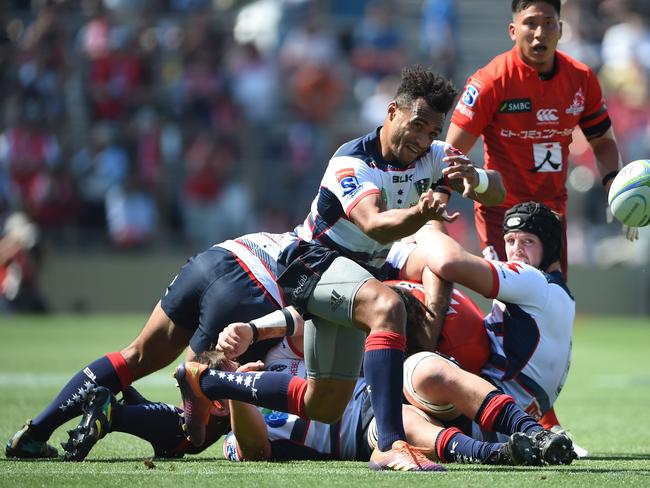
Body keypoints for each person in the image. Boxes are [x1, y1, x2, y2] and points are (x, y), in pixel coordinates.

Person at [174, 65, 506, 472]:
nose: (422, 141)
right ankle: (390, 445)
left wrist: (478, 179)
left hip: (353, 279)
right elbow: (374, 223)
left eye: (432, 133)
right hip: (311, 265)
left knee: (325, 403)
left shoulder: (434, 156)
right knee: (388, 307)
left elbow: (498, 187)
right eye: (417, 126)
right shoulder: (351, 161)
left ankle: (209, 381)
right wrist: (422, 212)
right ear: (392, 112)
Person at [66, 284, 570, 467]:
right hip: (360, 432)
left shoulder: (276, 361)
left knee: (433, 369)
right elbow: (258, 452)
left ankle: (534, 434)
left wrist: (250, 332)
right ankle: (501, 456)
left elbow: (309, 318)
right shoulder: (238, 439)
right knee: (400, 431)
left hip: (378, 385)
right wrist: (238, 393)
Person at [5, 230, 304, 460]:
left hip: (217, 257)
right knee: (192, 435)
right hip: (254, 293)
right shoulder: (338, 254)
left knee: (134, 355)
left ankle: (34, 433)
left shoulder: (309, 229)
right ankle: (115, 413)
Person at [446, 0, 639, 279]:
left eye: (548, 24)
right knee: (514, 307)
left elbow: (602, 141)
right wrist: (438, 203)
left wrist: (616, 190)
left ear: (560, 29)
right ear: (513, 30)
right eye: (530, 23)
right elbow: (452, 152)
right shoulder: (490, 81)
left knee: (555, 308)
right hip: (503, 215)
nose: (540, 33)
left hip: (552, 216)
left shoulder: (581, 79)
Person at [395, 201, 576, 463]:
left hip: (493, 416)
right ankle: (497, 452)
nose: (516, 250)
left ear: (550, 248)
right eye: (511, 240)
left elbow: (448, 262)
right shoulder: (557, 292)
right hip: (514, 420)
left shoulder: (534, 282)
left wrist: (422, 220)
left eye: (528, 241)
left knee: (415, 377)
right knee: (399, 418)